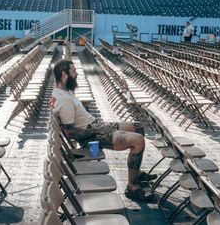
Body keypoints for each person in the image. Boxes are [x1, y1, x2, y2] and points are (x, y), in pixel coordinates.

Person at [49, 58, 157, 202]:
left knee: (138, 127)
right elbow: (71, 133)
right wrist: (97, 130)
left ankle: (136, 174)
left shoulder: (61, 92)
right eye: (74, 71)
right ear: (64, 75)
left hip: (95, 126)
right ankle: (132, 187)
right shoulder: (65, 100)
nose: (77, 74)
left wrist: (99, 127)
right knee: (138, 141)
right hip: (91, 134)